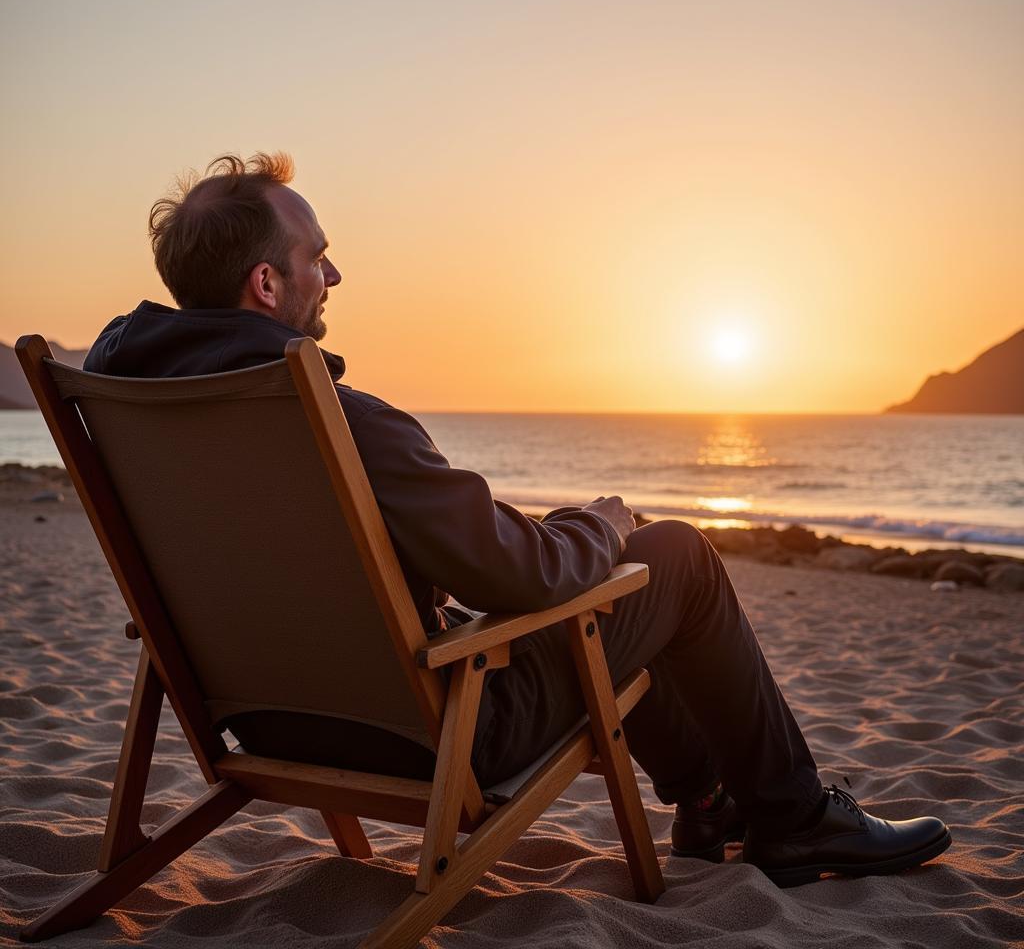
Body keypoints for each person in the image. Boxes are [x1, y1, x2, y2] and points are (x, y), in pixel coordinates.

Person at [85, 152, 951, 887]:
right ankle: (793, 817)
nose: (336, 275)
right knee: (673, 554)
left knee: (595, 578)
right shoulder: (332, 418)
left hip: (266, 722)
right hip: (437, 733)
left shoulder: (131, 411)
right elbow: (518, 576)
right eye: (319, 256)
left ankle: (710, 801)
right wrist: (598, 527)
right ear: (267, 282)